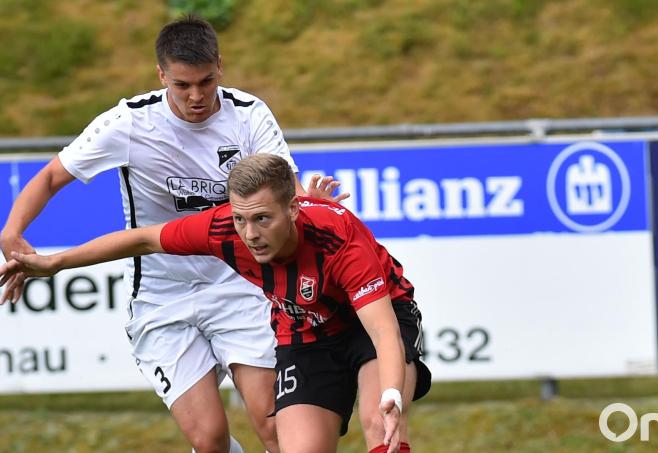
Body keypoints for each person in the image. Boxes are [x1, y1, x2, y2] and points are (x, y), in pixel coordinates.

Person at [0, 16, 345, 453]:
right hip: (162, 298)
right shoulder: (127, 123)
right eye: (182, 85)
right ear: (161, 75)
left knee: (273, 425)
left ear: (220, 65)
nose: (196, 96)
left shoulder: (248, 115)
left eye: (205, 81)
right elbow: (50, 176)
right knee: (209, 438)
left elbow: (287, 191)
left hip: (240, 287)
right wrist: (11, 232)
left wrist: (312, 206)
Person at [0, 153, 431, 453]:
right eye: (242, 218)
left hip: (373, 323)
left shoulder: (338, 241)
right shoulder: (223, 229)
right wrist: (56, 262)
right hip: (306, 334)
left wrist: (393, 392)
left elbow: (383, 331)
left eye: (263, 218)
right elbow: (142, 238)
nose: (251, 233)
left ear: (295, 210)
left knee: (381, 424)